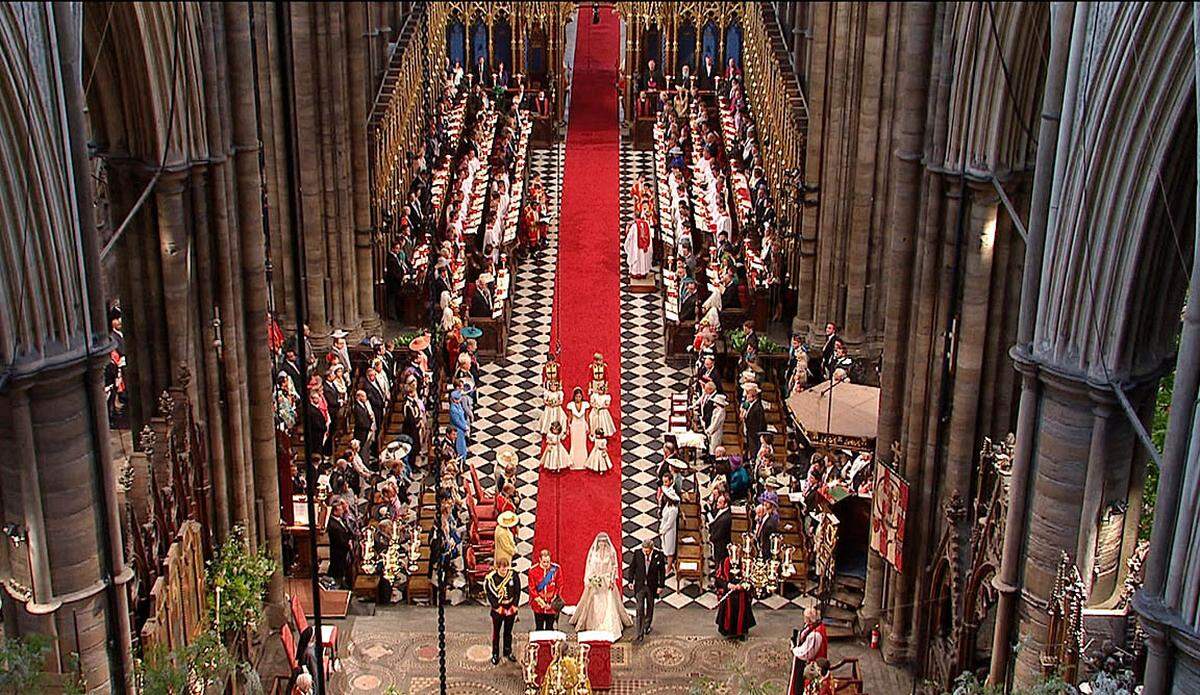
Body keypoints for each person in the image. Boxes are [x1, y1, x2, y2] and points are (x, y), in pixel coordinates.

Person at [571, 533, 632, 638]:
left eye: (604, 542)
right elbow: (590, 567)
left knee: (609, 603)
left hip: (607, 581)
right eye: (600, 542)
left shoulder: (611, 553)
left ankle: (609, 624)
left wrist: (612, 580)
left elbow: (614, 566)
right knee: (593, 602)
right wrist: (591, 579)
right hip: (596, 581)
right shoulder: (594, 554)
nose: (602, 544)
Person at [484, 555, 521, 665]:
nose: (504, 570)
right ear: (497, 568)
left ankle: (507, 651)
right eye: (502, 568)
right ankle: (495, 654)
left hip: (510, 607)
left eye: (506, 567)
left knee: (508, 632)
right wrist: (497, 607)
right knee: (496, 633)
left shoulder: (513, 576)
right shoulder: (491, 579)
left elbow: (517, 591)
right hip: (498, 609)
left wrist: (514, 605)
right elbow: (490, 595)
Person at [628, 539, 665, 642]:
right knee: (639, 608)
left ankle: (647, 625)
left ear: (651, 549)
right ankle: (639, 633)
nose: (645, 553)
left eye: (647, 551)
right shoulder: (637, 553)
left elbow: (661, 572)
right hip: (640, 586)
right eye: (644, 551)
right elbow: (632, 568)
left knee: (650, 606)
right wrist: (630, 581)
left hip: (651, 587)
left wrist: (661, 586)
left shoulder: (659, 555)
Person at [714, 554, 756, 640]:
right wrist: (728, 585)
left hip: (742, 595)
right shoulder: (724, 562)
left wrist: (743, 586)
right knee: (728, 613)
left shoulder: (745, 562)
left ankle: (741, 633)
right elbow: (718, 579)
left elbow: (752, 578)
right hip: (729, 594)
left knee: (742, 614)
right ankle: (728, 631)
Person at [788, 607, 829, 694]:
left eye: (805, 617)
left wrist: (794, 649)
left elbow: (807, 653)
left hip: (813, 662)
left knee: (800, 680)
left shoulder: (815, 635)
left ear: (808, 619)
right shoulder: (818, 625)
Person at [326, 497, 358, 589]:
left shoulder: (339, 520)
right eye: (341, 508)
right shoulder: (333, 525)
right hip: (338, 552)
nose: (343, 510)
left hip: (342, 552)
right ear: (335, 511)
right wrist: (348, 543)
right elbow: (340, 540)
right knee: (337, 573)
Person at [528, 549, 562, 630]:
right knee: (539, 628)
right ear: (540, 560)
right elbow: (532, 588)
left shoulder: (556, 569)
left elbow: (559, 585)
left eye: (548, 562)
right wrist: (541, 602)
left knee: (550, 628)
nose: (546, 564)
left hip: (551, 604)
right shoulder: (533, 571)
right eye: (544, 562)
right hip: (538, 605)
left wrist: (553, 600)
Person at [658, 473, 680, 574]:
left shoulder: (673, 510)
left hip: (670, 531)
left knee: (670, 549)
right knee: (665, 547)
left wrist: (663, 530)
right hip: (665, 527)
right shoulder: (668, 505)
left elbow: (670, 523)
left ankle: (669, 567)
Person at [566, 387, 590, 469]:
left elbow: (587, 417)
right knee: (574, 443)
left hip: (582, 425)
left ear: (581, 396)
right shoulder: (570, 405)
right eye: (576, 396)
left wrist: (588, 426)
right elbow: (569, 417)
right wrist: (567, 428)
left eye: (579, 396)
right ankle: (573, 463)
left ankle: (583, 463)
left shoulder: (585, 404)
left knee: (582, 444)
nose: (578, 398)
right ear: (574, 396)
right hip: (574, 426)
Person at [624, 207, 653, 279]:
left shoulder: (634, 226)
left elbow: (629, 237)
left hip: (637, 247)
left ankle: (636, 273)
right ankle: (644, 272)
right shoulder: (646, 224)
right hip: (644, 247)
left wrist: (627, 244)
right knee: (644, 259)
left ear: (634, 216)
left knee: (637, 259)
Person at [741, 382, 766, 459]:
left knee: (754, 451)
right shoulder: (750, 404)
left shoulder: (758, 408)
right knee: (751, 449)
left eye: (748, 394)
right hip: (750, 432)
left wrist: (757, 434)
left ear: (753, 396)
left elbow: (761, 423)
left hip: (755, 434)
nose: (746, 396)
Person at [708, 493, 732, 570]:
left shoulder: (725, 518)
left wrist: (711, 538)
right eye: (717, 501)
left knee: (720, 562)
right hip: (718, 543)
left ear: (726, 504)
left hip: (721, 545)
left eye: (720, 502)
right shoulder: (721, 511)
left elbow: (719, 533)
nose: (717, 504)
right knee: (717, 560)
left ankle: (719, 578)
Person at [449, 388, 470, 459]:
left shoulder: (458, 405)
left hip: (462, 428)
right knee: (460, 446)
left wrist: (466, 425)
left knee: (463, 445)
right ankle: (461, 460)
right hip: (458, 430)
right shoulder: (453, 409)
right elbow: (457, 421)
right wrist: (465, 427)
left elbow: (462, 416)